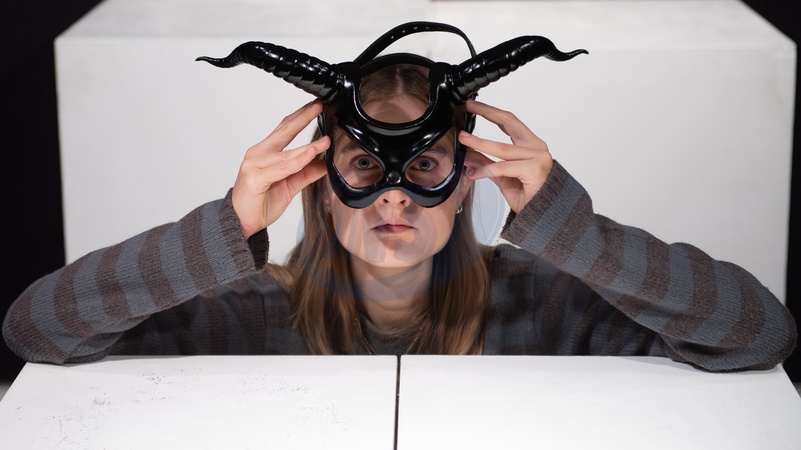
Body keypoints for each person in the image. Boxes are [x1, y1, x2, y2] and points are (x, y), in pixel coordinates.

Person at [3, 24, 797, 372]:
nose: (394, 198)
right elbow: (35, 329)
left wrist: (572, 230)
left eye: (422, 168)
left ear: (467, 179)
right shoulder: (241, 313)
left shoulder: (553, 307)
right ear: (316, 184)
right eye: (362, 166)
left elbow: (758, 335)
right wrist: (226, 226)